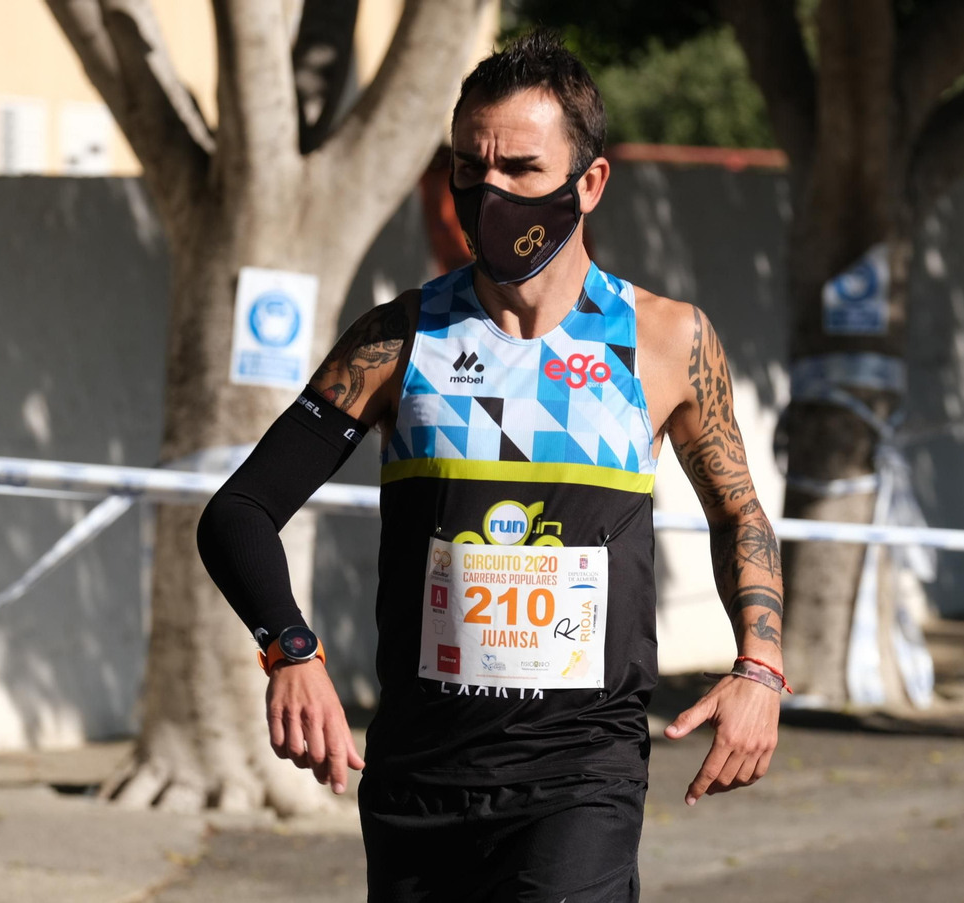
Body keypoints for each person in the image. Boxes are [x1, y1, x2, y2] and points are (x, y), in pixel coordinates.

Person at [195, 32, 784, 902]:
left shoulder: (663, 342)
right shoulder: (397, 340)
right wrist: (290, 649)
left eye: (520, 167)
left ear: (589, 183)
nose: (491, 191)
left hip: (581, 772)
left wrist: (760, 666)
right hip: (419, 774)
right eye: (471, 166)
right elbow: (239, 511)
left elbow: (739, 512)